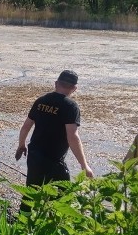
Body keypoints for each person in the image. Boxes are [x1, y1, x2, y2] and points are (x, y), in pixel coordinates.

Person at [15, 69, 95, 200]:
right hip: (54, 160)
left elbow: (26, 126)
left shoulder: (41, 101)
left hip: (34, 155)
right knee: (63, 197)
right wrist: (84, 165)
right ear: (74, 88)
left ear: (56, 83)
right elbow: (73, 137)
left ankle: (24, 219)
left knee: (31, 192)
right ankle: (55, 219)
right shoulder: (70, 106)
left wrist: (21, 145)